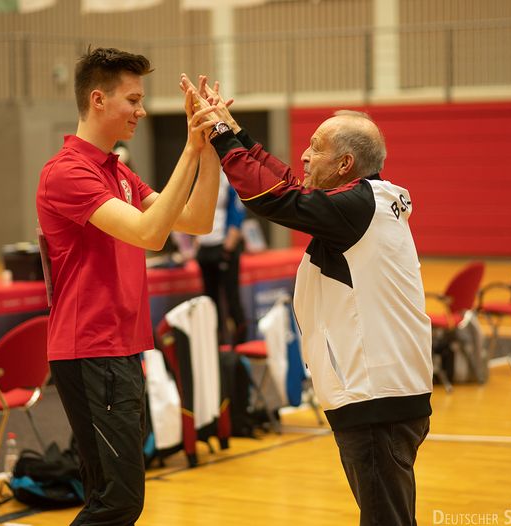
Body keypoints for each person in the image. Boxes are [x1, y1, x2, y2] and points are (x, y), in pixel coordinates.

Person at [185, 75, 433, 526]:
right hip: (382, 395)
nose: (304, 154)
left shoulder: (356, 207)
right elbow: (287, 182)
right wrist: (234, 129)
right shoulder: (362, 203)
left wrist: (220, 137)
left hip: (375, 398)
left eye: (315, 147)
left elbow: (274, 197)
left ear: (345, 163)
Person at [35, 48, 219, 525]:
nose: (141, 110)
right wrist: (190, 147)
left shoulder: (118, 171)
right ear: (98, 99)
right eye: (133, 99)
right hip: (90, 350)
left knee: (109, 499)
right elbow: (150, 234)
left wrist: (213, 143)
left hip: (119, 350)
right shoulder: (66, 172)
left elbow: (196, 219)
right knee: (119, 502)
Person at [195, 168, 248, 346]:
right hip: (205, 245)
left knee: (231, 296)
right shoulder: (200, 172)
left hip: (224, 244)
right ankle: (214, 344)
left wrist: (230, 243)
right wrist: (196, 240)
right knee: (210, 299)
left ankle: (240, 346)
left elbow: (238, 209)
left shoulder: (229, 175)